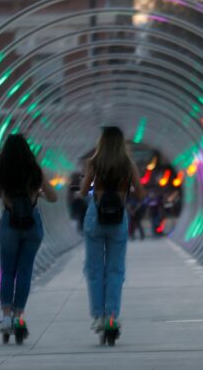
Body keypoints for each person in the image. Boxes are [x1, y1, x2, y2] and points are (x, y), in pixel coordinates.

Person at [0, 134, 58, 335]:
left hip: (10, 224)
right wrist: (37, 193)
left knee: (8, 272)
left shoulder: (1, 171)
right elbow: (53, 197)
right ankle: (18, 317)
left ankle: (6, 317)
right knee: (24, 272)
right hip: (32, 225)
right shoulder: (34, 170)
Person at [80, 126, 144, 333]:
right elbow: (141, 195)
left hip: (95, 216)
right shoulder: (128, 165)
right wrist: (127, 190)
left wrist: (91, 184)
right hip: (118, 217)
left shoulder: (94, 163)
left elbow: (83, 191)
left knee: (95, 269)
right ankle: (111, 316)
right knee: (115, 269)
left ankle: (98, 316)